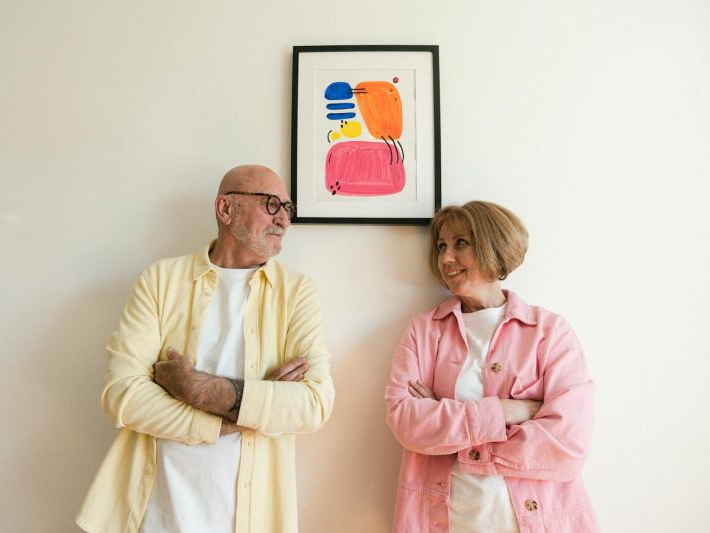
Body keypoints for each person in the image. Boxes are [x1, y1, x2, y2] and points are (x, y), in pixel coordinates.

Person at [76, 164, 335, 533]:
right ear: (226, 209)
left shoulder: (297, 293)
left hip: (248, 520)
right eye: (272, 204)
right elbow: (122, 395)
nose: (284, 220)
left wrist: (196, 386)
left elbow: (314, 405)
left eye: (287, 209)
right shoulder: (160, 280)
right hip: (151, 513)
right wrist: (243, 411)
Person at [385, 201, 598, 532]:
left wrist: (447, 421)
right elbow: (405, 420)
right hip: (445, 522)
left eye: (460, 243)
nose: (445, 258)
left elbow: (567, 444)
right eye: (442, 246)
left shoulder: (549, 333)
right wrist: (506, 412)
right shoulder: (424, 331)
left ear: (492, 246)